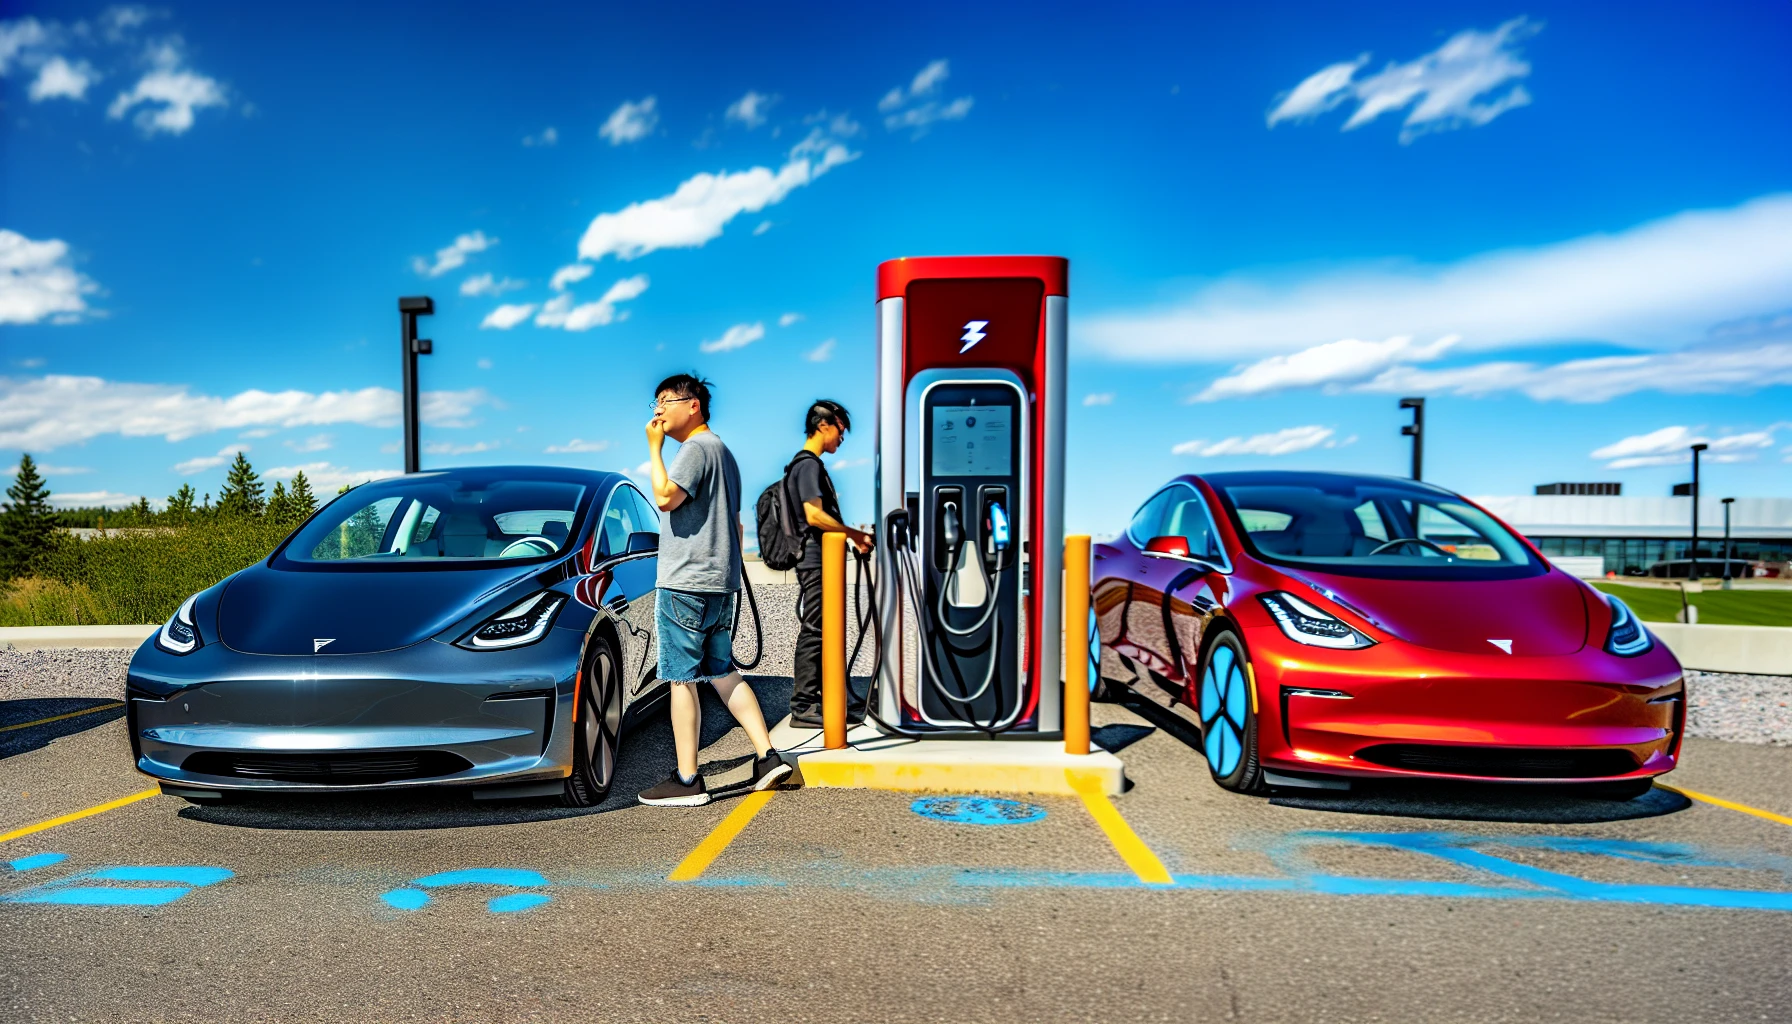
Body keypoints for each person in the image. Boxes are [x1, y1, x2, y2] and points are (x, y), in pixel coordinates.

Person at [637, 373, 791, 806]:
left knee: (680, 680)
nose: (658, 411)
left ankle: (687, 781)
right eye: (654, 403)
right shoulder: (724, 452)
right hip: (720, 583)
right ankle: (767, 756)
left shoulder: (694, 449)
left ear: (694, 406)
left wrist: (653, 449)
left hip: (685, 581)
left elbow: (666, 497)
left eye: (666, 401)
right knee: (722, 672)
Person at [786, 400, 874, 727]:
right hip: (814, 560)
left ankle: (830, 698)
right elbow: (814, 515)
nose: (842, 438)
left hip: (823, 559)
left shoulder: (811, 465)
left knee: (827, 629)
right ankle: (804, 705)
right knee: (817, 629)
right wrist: (854, 534)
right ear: (823, 426)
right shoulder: (807, 464)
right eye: (840, 430)